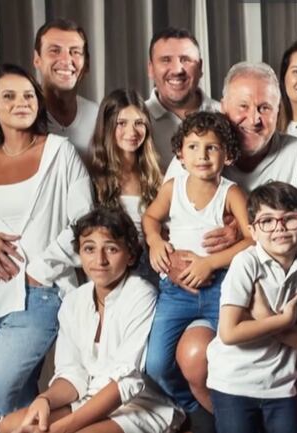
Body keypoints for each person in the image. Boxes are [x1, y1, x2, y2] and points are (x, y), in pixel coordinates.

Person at [168, 62, 297, 432]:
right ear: (221, 105)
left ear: (279, 111)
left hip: (286, 276)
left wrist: (248, 235)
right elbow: (168, 222)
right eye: (242, 106)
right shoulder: (199, 146)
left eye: (265, 108)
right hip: (214, 285)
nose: (253, 119)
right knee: (193, 357)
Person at [0, 64, 92, 432]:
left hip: (40, 294)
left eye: (28, 95)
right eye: (8, 96)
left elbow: (84, 224)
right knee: (18, 404)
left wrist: (39, 271)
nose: (21, 102)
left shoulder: (60, 153)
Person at [0, 207, 183, 433]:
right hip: (87, 399)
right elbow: (72, 375)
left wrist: (60, 429)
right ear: (79, 254)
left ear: (131, 255)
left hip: (138, 405)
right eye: (89, 249)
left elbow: (127, 383)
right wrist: (44, 400)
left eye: (111, 249)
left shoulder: (141, 294)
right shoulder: (73, 301)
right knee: (9, 426)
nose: (100, 260)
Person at [142, 111, 253, 424]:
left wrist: (211, 262)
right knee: (157, 365)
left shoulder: (230, 193)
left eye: (212, 148)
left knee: (229, 360)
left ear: (228, 154)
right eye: (192, 147)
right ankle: (193, 411)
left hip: (222, 288)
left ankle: (235, 417)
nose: (201, 155)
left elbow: (253, 238)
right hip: (176, 293)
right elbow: (150, 218)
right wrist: (154, 241)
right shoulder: (172, 188)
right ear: (179, 153)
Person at [208, 182, 297, 433]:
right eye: (267, 221)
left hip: (279, 385)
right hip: (233, 382)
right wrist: (281, 321)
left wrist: (263, 316)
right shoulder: (245, 263)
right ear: (253, 231)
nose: (279, 228)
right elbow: (229, 333)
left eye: (289, 219)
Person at [89, 88, 163, 283]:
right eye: (121, 123)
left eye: (139, 123)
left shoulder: (154, 176)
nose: (132, 132)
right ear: (107, 126)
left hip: (151, 265)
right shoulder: (93, 177)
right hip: (111, 268)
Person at [146, 27, 220, 169]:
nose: (177, 70)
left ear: (200, 67)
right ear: (151, 68)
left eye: (186, 60)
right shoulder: (136, 122)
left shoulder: (225, 115)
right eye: (166, 60)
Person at [33, 19, 99, 163]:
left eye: (75, 52)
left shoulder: (98, 117)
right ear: (37, 59)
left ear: (86, 64)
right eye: (55, 51)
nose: (66, 60)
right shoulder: (22, 116)